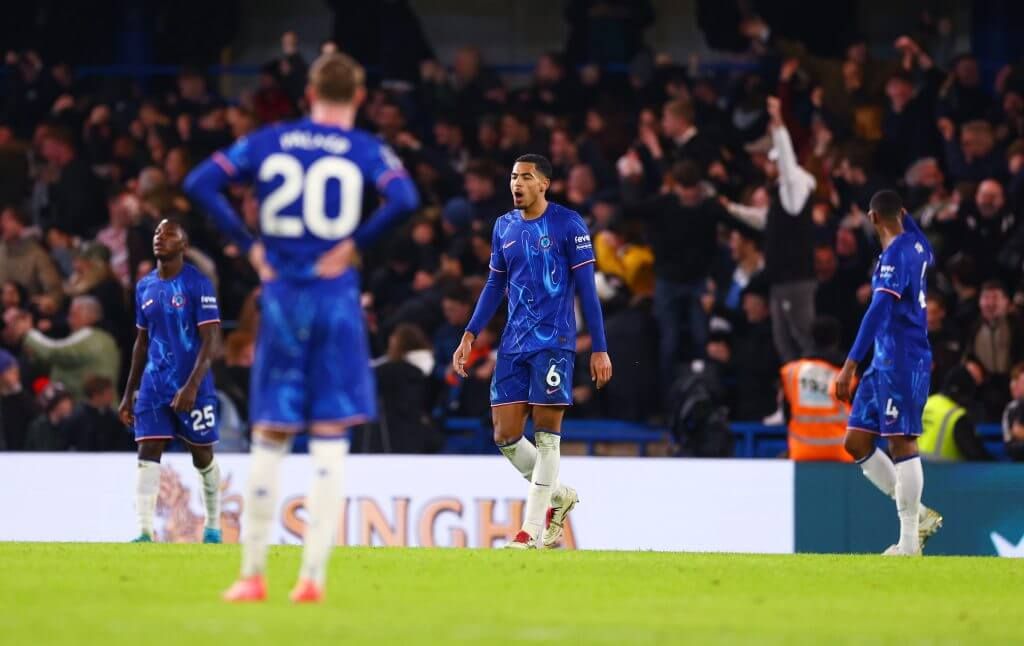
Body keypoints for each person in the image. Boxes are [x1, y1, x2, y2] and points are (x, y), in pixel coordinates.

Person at [185, 52, 420, 602]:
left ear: (309, 93)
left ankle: (252, 574)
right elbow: (405, 197)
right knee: (331, 435)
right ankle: (312, 577)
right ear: (358, 97)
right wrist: (354, 247)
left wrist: (252, 249)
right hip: (336, 297)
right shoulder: (364, 148)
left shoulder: (270, 140)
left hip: (284, 297)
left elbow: (200, 182)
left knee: (271, 431)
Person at [452, 153, 612, 549]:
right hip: (513, 343)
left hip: (555, 342)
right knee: (505, 435)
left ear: (544, 184)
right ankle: (559, 498)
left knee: (546, 438)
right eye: (513, 176)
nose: (517, 184)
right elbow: (494, 286)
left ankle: (531, 530)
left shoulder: (568, 224)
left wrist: (599, 348)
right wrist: (470, 334)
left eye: (526, 177)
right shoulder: (503, 226)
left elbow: (587, 291)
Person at [835, 191, 943, 555]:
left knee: (901, 442)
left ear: (872, 218)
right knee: (856, 442)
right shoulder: (918, 245)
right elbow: (917, 236)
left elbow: (878, 310)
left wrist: (850, 364)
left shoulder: (896, 256)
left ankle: (909, 542)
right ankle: (921, 515)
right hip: (883, 362)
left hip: (902, 359)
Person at [117, 219, 222, 544]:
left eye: (170, 234)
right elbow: (141, 342)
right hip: (154, 383)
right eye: (157, 233)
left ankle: (213, 526)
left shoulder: (197, 283)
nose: (160, 238)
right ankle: (145, 531)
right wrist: (128, 391)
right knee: (148, 450)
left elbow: (210, 341)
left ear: (183, 245)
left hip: (193, 383)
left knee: (201, 455)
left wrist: (191, 386)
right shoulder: (145, 286)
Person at [7, 296, 120, 401]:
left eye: (74, 314)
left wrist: (28, 332)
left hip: (92, 412)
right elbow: (56, 363)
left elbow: (54, 352)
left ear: (89, 316)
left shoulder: (90, 335)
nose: (69, 319)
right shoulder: (97, 338)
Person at [779, 317, 853, 462]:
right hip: (841, 454)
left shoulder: (792, 372)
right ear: (837, 340)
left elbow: (786, 412)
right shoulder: (846, 376)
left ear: (811, 338)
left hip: (801, 452)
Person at [919, 367, 993, 461]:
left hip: (914, 470)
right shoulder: (956, 416)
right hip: (942, 472)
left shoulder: (926, 403)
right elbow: (976, 455)